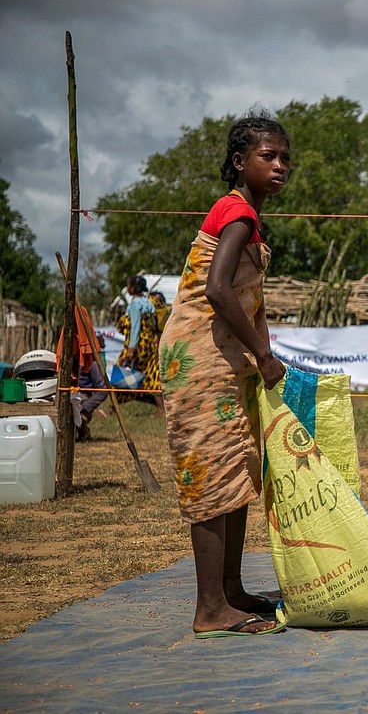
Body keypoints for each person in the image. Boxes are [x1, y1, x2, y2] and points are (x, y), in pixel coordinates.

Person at [157, 114, 290, 638]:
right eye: (268, 157)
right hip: (202, 361)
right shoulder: (236, 213)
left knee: (234, 470)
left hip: (221, 363)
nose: (279, 166)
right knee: (212, 473)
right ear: (240, 162)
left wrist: (258, 352)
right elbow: (217, 290)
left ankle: (231, 592)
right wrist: (263, 353)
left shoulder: (245, 215)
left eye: (284, 158)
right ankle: (210, 608)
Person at [56, 304, 109, 441]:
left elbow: (103, 389)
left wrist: (85, 408)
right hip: (65, 393)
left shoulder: (91, 363)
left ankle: (82, 428)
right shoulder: (66, 356)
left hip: (81, 397)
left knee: (76, 403)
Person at [115, 275, 164, 412]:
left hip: (138, 346)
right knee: (151, 375)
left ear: (133, 288)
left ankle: (113, 409)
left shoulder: (135, 304)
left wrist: (131, 349)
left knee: (120, 372)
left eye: (128, 285)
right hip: (151, 345)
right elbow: (153, 324)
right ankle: (161, 409)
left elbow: (135, 327)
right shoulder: (149, 303)